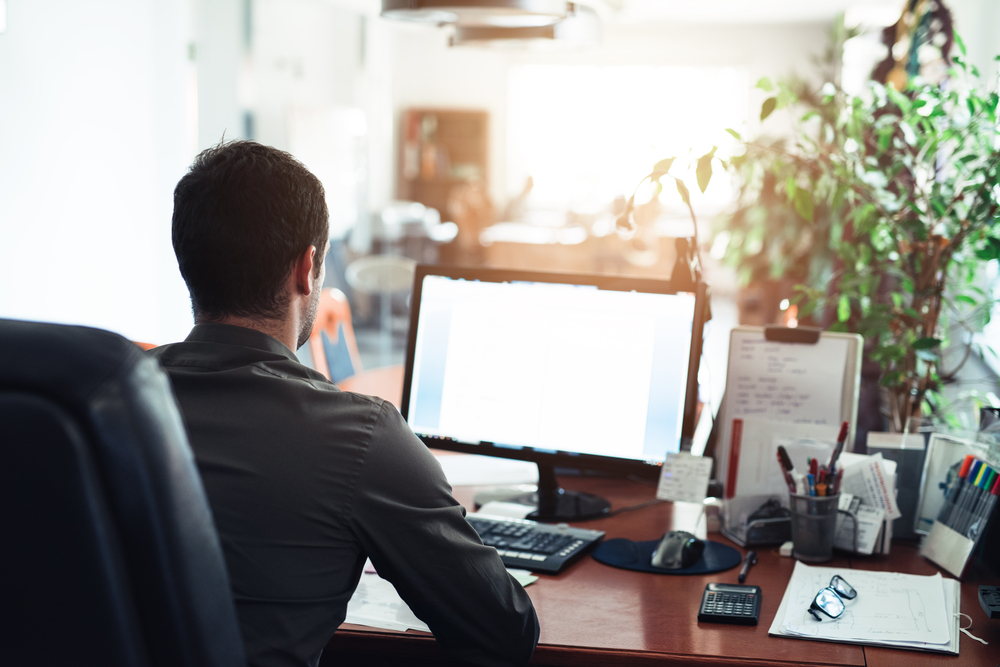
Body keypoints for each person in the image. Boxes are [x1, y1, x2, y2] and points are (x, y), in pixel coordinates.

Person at [151, 141, 539, 667]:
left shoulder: (101, 406)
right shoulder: (360, 436)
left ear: (186, 261)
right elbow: (503, 629)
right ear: (307, 269)